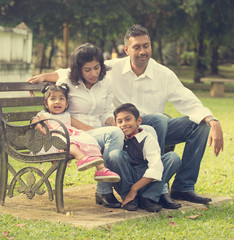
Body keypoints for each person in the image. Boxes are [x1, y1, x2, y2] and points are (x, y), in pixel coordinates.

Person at [28, 25, 224, 207]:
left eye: (146, 46)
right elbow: (78, 69)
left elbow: (187, 100)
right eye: (136, 47)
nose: (142, 51)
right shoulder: (111, 68)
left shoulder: (163, 74)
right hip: (124, 128)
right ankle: (158, 187)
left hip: (148, 128)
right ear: (126, 49)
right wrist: (46, 76)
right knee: (158, 120)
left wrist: (212, 120)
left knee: (196, 125)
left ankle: (183, 187)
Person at [29, 43, 125, 208]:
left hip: (98, 131)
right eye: (87, 70)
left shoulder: (106, 82)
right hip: (75, 134)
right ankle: (105, 190)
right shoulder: (68, 80)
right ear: (78, 69)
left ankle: (130, 187)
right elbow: (61, 74)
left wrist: (112, 121)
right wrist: (43, 76)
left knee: (119, 132)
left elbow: (107, 110)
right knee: (115, 134)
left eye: (97, 67)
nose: (94, 73)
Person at [36, 83, 120, 182]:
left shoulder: (67, 115)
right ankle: (81, 158)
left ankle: (101, 169)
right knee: (70, 141)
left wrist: (99, 130)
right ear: (46, 104)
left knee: (89, 140)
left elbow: (84, 127)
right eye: (53, 99)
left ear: (67, 103)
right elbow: (44, 129)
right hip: (55, 140)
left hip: (70, 136)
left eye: (61, 99)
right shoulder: (44, 116)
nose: (57, 102)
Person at [106, 103, 181, 212]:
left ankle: (148, 197)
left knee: (173, 158)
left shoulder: (147, 138)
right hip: (127, 178)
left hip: (147, 180)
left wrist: (134, 189)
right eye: (120, 121)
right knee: (114, 155)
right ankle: (130, 198)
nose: (124, 124)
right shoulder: (116, 138)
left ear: (138, 121)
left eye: (128, 119)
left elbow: (155, 168)